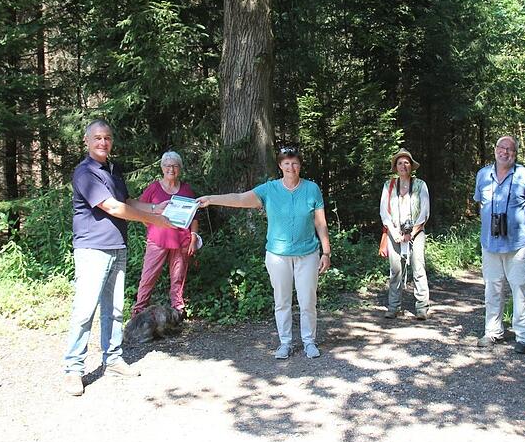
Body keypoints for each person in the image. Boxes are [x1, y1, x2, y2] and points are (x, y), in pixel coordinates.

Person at [62, 119, 175, 396]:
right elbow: (112, 207)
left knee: (114, 309)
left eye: (107, 138)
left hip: (117, 247)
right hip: (92, 249)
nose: (103, 142)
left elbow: (128, 201)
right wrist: (152, 221)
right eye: (98, 138)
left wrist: (155, 207)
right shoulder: (85, 172)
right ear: (87, 142)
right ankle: (73, 369)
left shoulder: (113, 169)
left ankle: (112, 359)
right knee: (85, 310)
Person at [197, 147, 332, 360]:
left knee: (308, 300)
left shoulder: (312, 189)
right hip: (277, 255)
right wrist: (211, 199)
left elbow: (320, 222)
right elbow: (240, 199)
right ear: (280, 166)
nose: (291, 167)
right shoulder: (269, 190)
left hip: (308, 253)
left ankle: (309, 341)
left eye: (294, 162)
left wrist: (326, 251)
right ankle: (285, 343)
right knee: (282, 301)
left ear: (300, 165)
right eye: (286, 163)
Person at [473, 135, 525, 354]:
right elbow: (479, 203)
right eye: (502, 148)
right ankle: (492, 332)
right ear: (495, 150)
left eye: (510, 150)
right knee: (492, 289)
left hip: (516, 244)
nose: (505, 152)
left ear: (516, 153)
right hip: (490, 243)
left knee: (519, 289)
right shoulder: (483, 175)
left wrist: (518, 223)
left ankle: (523, 337)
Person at [131, 151, 200, 319]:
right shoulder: (154, 187)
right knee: (148, 276)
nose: (171, 169)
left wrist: (193, 237)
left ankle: (178, 310)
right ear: (162, 168)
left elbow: (195, 217)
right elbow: (139, 208)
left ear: (180, 168)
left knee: (178, 277)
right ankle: (139, 311)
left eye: (175, 166)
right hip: (157, 240)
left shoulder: (186, 189)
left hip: (181, 240)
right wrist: (150, 224)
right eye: (168, 165)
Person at [380, 149, 430, 320]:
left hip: (416, 232)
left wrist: (412, 233)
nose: (403, 165)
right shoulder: (389, 185)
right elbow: (384, 212)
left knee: (418, 267)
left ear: (411, 166)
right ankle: (394, 307)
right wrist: (394, 233)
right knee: (395, 270)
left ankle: (422, 307)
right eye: (400, 163)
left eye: (406, 162)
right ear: (396, 166)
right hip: (394, 233)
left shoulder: (420, 185)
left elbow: (424, 211)